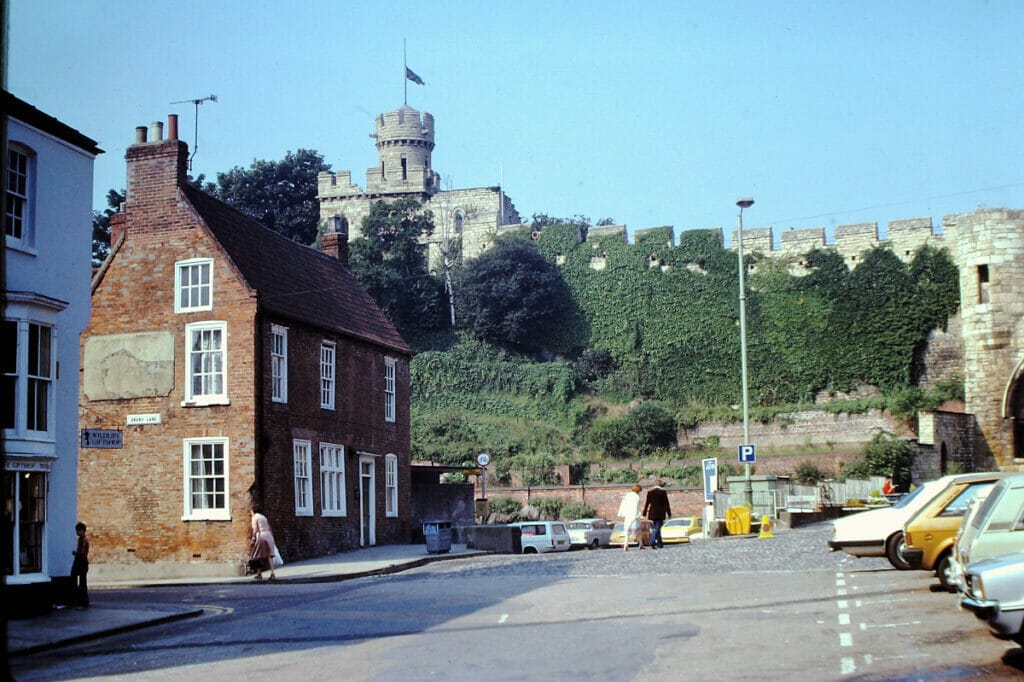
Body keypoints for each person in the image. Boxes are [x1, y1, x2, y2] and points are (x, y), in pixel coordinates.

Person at [249, 509, 278, 581]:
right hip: (268, 535)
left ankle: (259, 574)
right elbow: (269, 528)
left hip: (261, 535)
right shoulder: (264, 517)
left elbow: (255, 529)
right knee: (270, 556)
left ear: (252, 511)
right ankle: (272, 573)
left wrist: (253, 539)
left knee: (259, 556)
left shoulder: (255, 517)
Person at [643, 480, 672, 549]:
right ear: (660, 485)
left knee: (657, 527)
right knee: (657, 527)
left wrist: (644, 513)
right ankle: (651, 541)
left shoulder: (650, 492)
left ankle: (660, 543)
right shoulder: (663, 492)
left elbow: (647, 503)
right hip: (660, 513)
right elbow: (667, 504)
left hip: (652, 512)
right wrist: (669, 514)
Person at [618, 484, 643, 551]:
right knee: (638, 532)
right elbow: (636, 507)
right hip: (634, 515)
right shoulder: (636, 497)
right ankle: (641, 544)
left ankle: (626, 544)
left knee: (627, 531)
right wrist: (638, 514)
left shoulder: (627, 495)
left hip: (628, 515)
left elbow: (623, 505)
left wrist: (622, 513)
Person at [71, 521, 90, 609]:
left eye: (78, 531)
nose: (77, 533)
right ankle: (81, 601)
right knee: (80, 581)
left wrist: (76, 553)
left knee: (82, 582)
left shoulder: (84, 540)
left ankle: (83, 603)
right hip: (80, 561)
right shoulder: (80, 539)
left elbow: (82, 552)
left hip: (82, 561)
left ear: (82, 530)